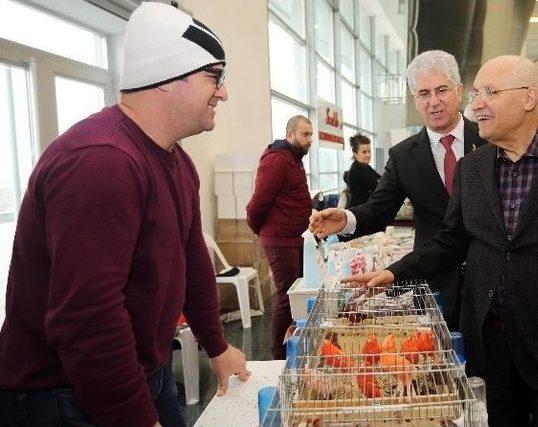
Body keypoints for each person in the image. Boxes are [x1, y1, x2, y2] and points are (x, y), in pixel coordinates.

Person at [313, 55, 538, 427]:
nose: (477, 105)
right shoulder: (474, 167)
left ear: (529, 98)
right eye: (477, 94)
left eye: (489, 93)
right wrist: (391, 273)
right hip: (491, 352)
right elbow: (451, 241)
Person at [0, 4, 250, 427]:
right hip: (62, 393)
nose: (223, 92)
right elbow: (87, 318)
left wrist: (217, 346)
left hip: (141, 374)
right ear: (173, 78)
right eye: (215, 76)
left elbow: (192, 266)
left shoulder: (175, 160)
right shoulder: (101, 161)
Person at [308, 50, 486, 328]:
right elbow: (379, 210)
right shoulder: (404, 155)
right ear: (415, 99)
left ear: (459, 91)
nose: (434, 102)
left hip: (489, 279)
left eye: (442, 90)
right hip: (435, 279)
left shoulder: (489, 140)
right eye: (424, 93)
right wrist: (346, 219)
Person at [246, 115, 313, 359]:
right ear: (290, 135)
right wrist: (260, 230)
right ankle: (280, 355)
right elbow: (258, 203)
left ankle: (295, 344)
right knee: (288, 295)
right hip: (279, 238)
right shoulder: (277, 160)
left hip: (293, 237)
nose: (310, 140)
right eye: (305, 134)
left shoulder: (294, 159)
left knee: (296, 293)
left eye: (311, 135)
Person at [345, 134, 380, 208]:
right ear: (355, 153)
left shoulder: (365, 166)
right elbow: (377, 188)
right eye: (364, 152)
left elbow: (380, 177)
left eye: (369, 151)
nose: (368, 155)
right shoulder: (357, 170)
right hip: (359, 210)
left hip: (364, 208)